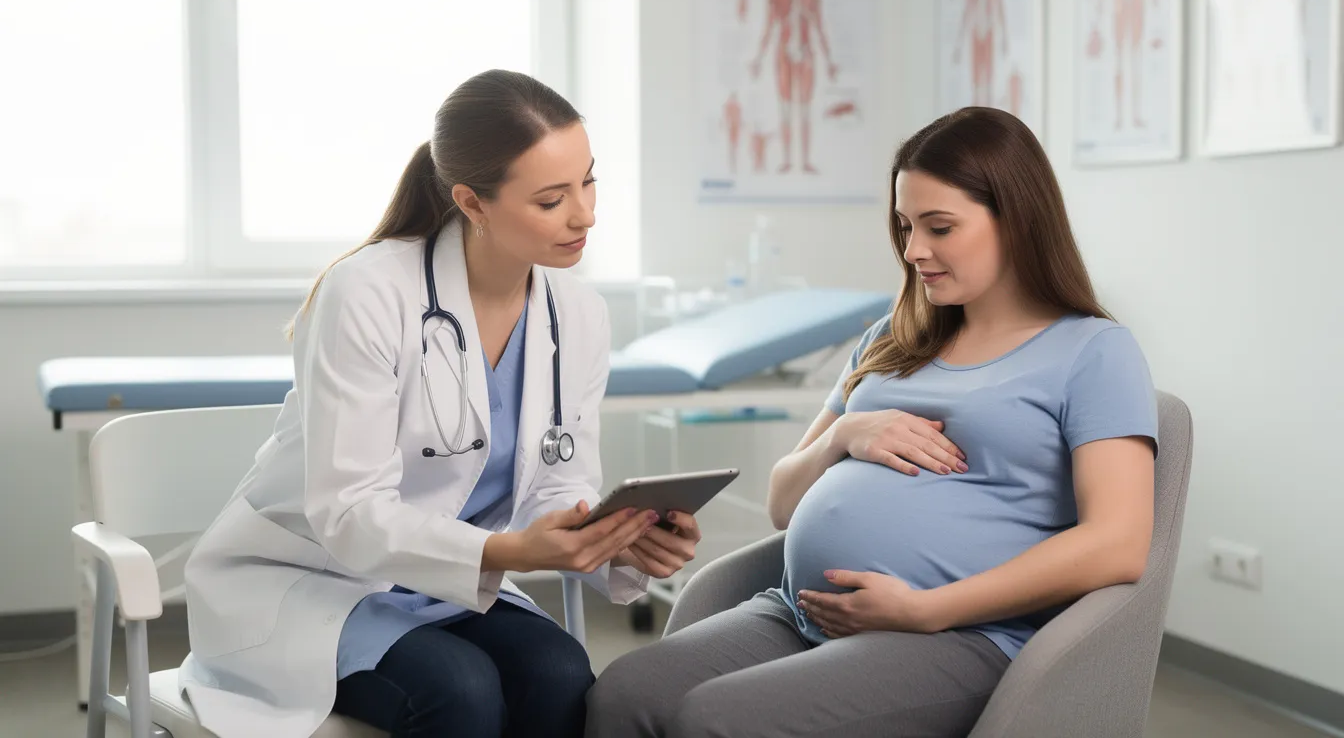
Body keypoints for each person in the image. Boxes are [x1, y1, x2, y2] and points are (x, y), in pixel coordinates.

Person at [586, 106, 1158, 738]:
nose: (914, 251)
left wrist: (923, 609)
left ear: (1017, 220)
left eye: (939, 227)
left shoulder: (1093, 352)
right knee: (623, 693)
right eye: (905, 226)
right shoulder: (892, 337)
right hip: (796, 613)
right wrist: (842, 435)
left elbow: (1118, 543)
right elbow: (782, 502)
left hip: (956, 636)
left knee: (717, 718)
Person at [176, 69, 702, 738]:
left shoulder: (578, 313)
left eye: (588, 182)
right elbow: (348, 511)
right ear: (472, 202)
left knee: (563, 674)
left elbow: (557, 480)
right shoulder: (367, 292)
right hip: (308, 580)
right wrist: (511, 551)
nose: (585, 215)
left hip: (442, 583)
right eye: (551, 200)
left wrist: (616, 541)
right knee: (462, 691)